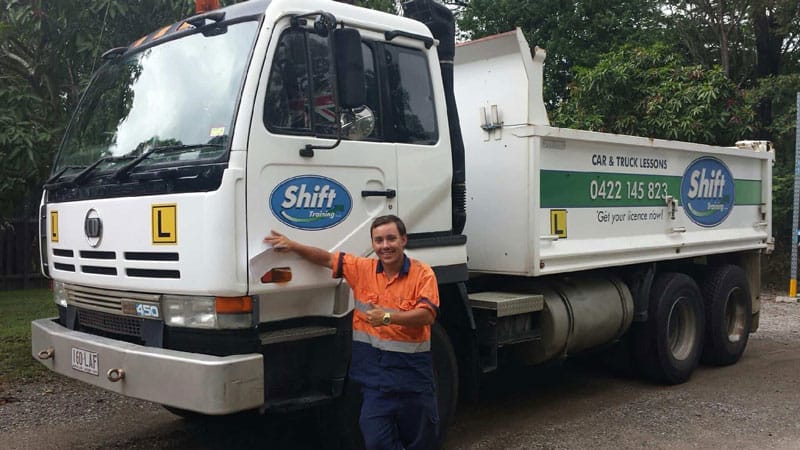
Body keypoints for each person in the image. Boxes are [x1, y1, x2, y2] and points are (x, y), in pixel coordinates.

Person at [264, 215, 440, 450]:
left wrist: (387, 317)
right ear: (373, 244)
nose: (385, 246)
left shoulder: (423, 274)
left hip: (413, 381)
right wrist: (294, 245)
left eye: (391, 239)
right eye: (379, 240)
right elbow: (326, 258)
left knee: (421, 442)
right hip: (377, 383)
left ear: (403, 240)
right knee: (377, 441)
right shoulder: (362, 270)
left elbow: (427, 315)